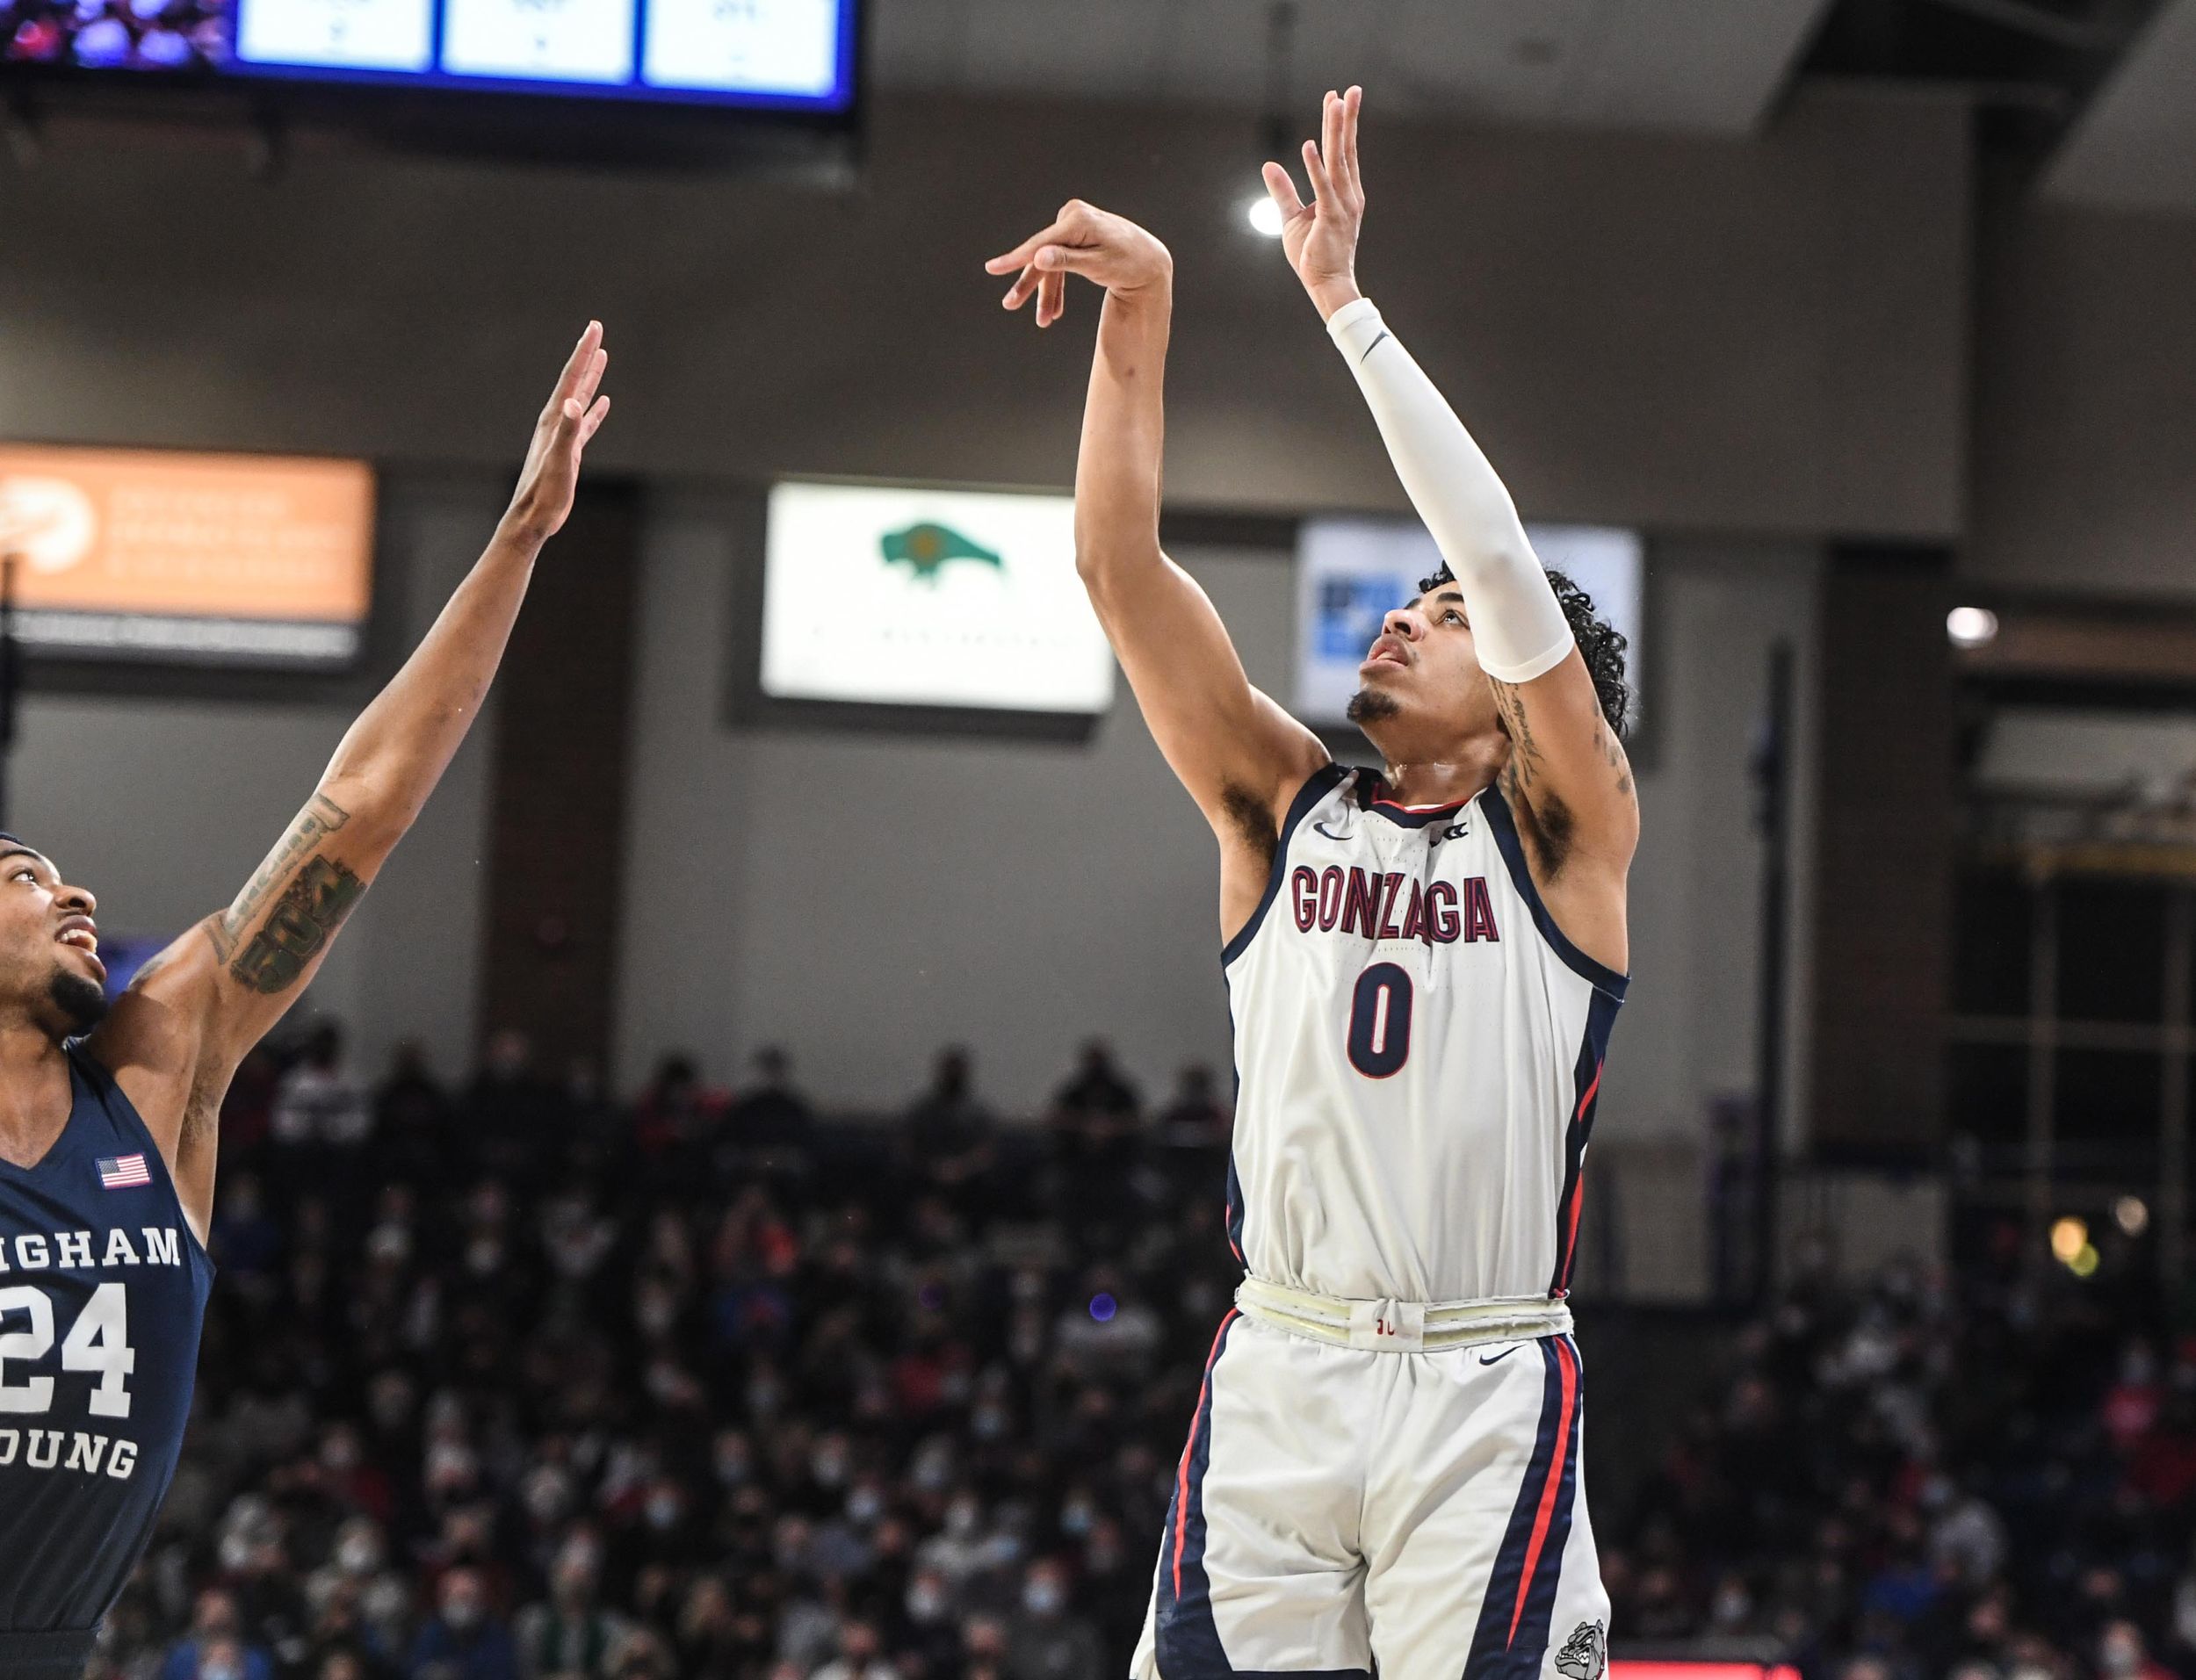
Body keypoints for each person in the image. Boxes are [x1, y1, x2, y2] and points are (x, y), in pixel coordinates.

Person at [987, 87, 1636, 1680]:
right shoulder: (1281, 807)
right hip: (1280, 1361)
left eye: (1442, 614)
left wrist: (1343, 307)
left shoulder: (1570, 834)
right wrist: (1136, 314)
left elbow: (1496, 557)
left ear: (1520, 687)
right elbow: (1117, 570)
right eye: (1400, 606)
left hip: (1482, 1388)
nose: (1403, 623)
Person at [0, 324, 613, 1679]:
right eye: (24, 874)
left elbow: (362, 811)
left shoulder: (156, 1077)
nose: (73, 889)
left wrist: (518, 537)